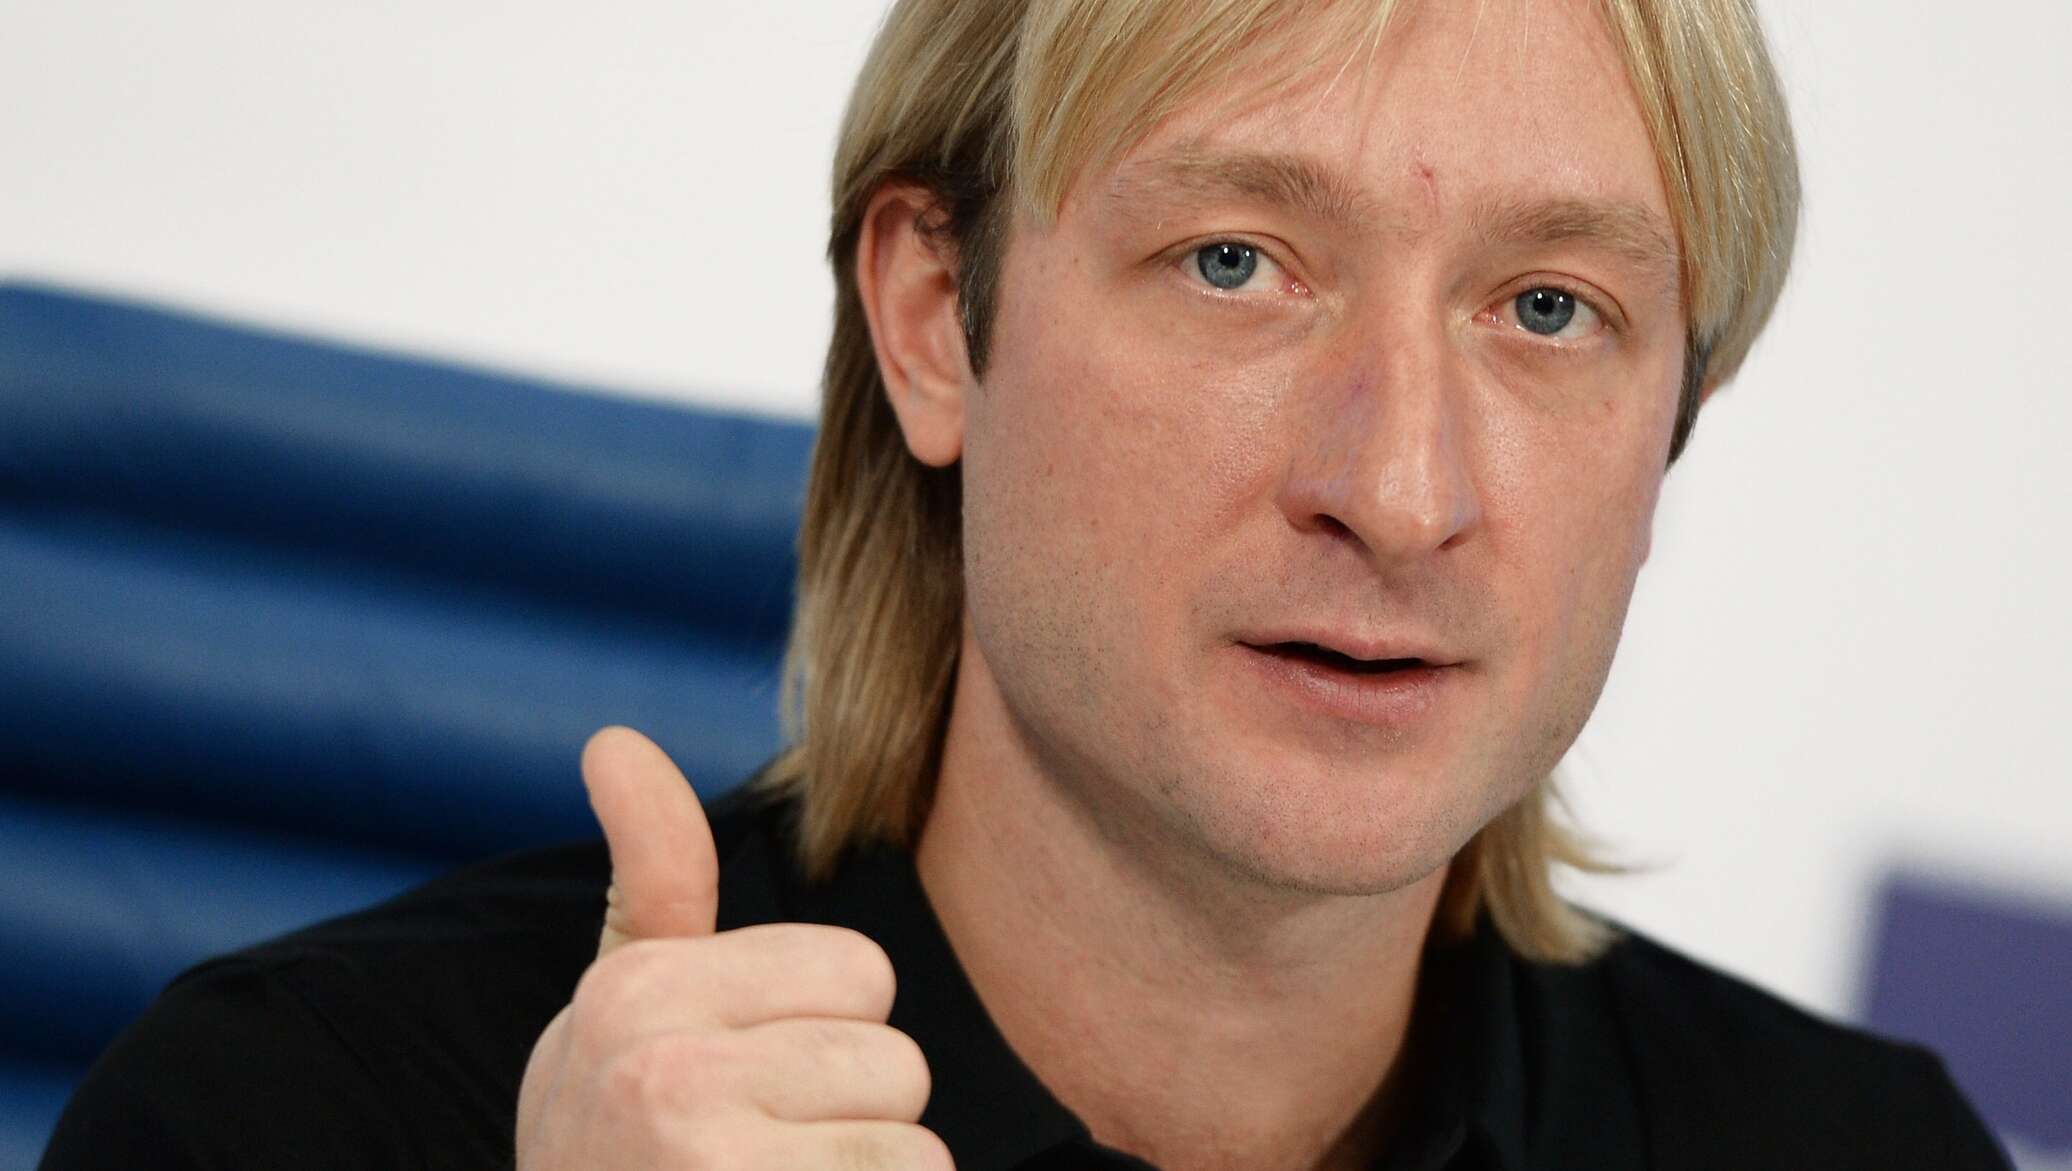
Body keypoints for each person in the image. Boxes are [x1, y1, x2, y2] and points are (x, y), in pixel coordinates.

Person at [42, 0, 2012, 1168]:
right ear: (932, 319)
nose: (1401, 492)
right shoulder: (292, 1119)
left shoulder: (1858, 1156)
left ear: (1672, 426)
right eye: (1237, 262)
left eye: (1550, 308)